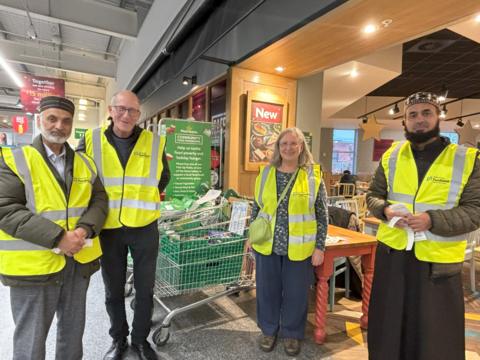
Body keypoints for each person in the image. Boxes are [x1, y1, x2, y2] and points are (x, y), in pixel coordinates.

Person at [366, 91, 480, 360]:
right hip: (392, 256)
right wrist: (385, 209)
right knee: (388, 328)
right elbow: (373, 195)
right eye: (413, 115)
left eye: (426, 113)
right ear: (404, 121)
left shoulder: (466, 159)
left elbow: (475, 210)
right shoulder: (391, 156)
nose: (420, 120)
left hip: (437, 265)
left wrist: (433, 220)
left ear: (439, 116)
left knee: (435, 336)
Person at [0, 96, 108, 360]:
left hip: (77, 263)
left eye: (66, 120)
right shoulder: (14, 159)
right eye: (52, 118)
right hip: (34, 267)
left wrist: (83, 230)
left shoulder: (85, 163)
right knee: (31, 340)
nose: (59, 125)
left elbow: (100, 200)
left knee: (72, 335)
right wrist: (59, 238)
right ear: (39, 120)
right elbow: (5, 208)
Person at [78, 90, 170, 360]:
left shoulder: (154, 143)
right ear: (110, 109)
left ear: (139, 115)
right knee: (113, 289)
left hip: (144, 227)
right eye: (121, 109)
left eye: (132, 111)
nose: (126, 115)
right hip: (109, 229)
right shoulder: (90, 140)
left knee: (145, 288)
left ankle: (141, 341)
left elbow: (163, 178)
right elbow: (81, 178)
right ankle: (118, 340)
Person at [250, 127, 328, 356]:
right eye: (284, 144)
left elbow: (322, 215)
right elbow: (257, 208)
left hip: (300, 247)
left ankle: (292, 334)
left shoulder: (313, 176)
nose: (288, 148)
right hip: (267, 244)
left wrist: (319, 246)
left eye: (294, 143)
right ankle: (268, 330)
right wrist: (250, 238)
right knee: (267, 291)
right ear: (277, 148)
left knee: (296, 293)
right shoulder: (266, 174)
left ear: (301, 147)